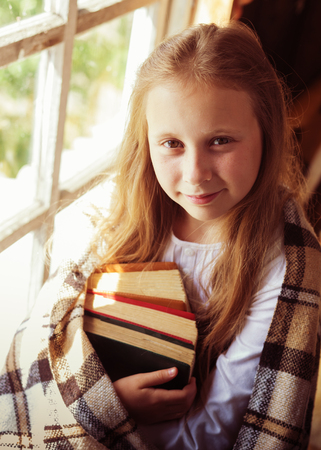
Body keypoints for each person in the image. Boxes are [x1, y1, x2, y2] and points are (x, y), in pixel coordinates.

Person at [0, 21, 320, 450]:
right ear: (146, 142)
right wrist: (105, 402)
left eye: (220, 140)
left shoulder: (281, 267)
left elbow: (219, 428)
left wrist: (117, 417)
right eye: (171, 143)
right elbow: (51, 337)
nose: (195, 175)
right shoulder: (133, 214)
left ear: (267, 132)